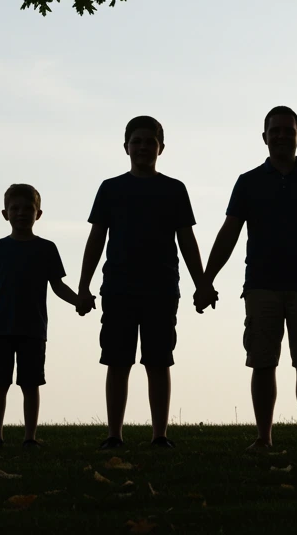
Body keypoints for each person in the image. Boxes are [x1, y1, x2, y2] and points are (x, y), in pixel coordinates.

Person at [194, 106, 297, 449]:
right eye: (275, 131)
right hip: (261, 285)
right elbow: (228, 233)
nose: (281, 136)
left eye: (287, 131)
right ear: (264, 137)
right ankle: (263, 438)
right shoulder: (248, 182)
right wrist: (206, 280)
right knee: (262, 362)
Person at [76, 115, 206, 450]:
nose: (143, 147)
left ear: (161, 147)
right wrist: (83, 286)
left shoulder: (174, 189)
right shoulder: (110, 188)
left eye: (150, 141)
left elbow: (187, 239)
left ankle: (159, 435)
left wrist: (201, 283)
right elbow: (96, 238)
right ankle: (114, 435)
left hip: (161, 288)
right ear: (126, 147)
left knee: (159, 361)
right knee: (117, 361)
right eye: (137, 141)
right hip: (118, 287)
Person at [0, 183, 81, 448]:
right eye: (15, 208)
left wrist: (78, 301)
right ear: (5, 214)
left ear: (38, 214)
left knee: (30, 384)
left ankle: (30, 437)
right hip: (1, 328)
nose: (21, 213)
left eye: (27, 208)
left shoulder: (46, 249)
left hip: (33, 329)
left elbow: (57, 286)